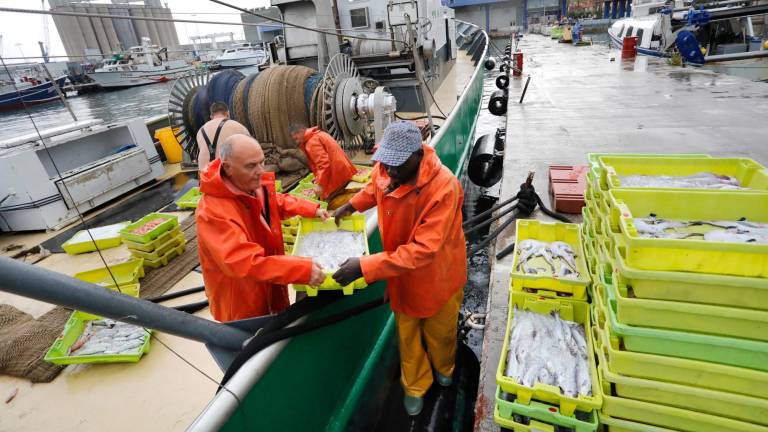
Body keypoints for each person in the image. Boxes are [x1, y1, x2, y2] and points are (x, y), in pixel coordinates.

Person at [331, 121, 467, 416]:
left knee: (441, 333)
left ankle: (445, 366)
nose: (389, 171)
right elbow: (374, 188)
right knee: (407, 337)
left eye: (396, 165)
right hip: (401, 278)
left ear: (418, 156)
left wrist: (364, 266)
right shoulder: (388, 168)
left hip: (438, 277)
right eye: (386, 162)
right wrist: (351, 206)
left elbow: (424, 250)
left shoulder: (444, 188)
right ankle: (415, 385)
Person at [196, 134, 329, 322]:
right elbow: (243, 262)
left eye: (262, 162)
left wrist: (310, 209)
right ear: (227, 167)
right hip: (241, 303)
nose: (260, 171)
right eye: (251, 165)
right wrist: (301, 269)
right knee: (253, 341)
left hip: (269, 281)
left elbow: (274, 202)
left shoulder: (250, 184)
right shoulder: (211, 212)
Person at [289, 124, 357, 200]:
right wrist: (318, 178)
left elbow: (323, 164)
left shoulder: (311, 142)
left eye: (296, 138)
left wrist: (320, 184)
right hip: (342, 169)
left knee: (329, 202)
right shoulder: (318, 134)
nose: (297, 142)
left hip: (337, 173)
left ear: (301, 132)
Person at [196, 102, 250, 172]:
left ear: (211, 116)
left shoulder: (200, 131)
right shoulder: (238, 127)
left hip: (206, 176)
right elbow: (250, 152)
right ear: (228, 113)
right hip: (227, 176)